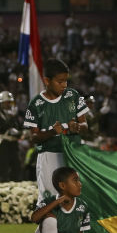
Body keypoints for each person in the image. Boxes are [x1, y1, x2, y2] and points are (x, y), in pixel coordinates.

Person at [24, 59, 89, 200]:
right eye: (60, 82)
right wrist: (52, 132)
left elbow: (85, 126)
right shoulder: (36, 104)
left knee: (75, 199)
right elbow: (33, 137)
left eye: (66, 81)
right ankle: (47, 222)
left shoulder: (73, 96)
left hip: (72, 154)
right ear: (47, 81)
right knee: (50, 200)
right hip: (49, 155)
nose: (64, 85)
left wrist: (77, 127)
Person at [29, 167, 97, 233]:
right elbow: (34, 218)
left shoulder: (82, 206)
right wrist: (58, 201)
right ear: (62, 185)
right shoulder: (49, 201)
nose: (80, 184)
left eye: (79, 180)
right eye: (75, 180)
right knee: (49, 218)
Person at [0, 90, 24, 181]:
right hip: (4, 142)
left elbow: (19, 127)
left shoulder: (14, 113)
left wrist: (20, 132)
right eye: (6, 102)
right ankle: (3, 185)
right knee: (3, 166)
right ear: (1, 103)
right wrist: (12, 118)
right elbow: (2, 127)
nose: (8, 104)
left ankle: (16, 185)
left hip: (14, 141)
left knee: (16, 166)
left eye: (10, 102)